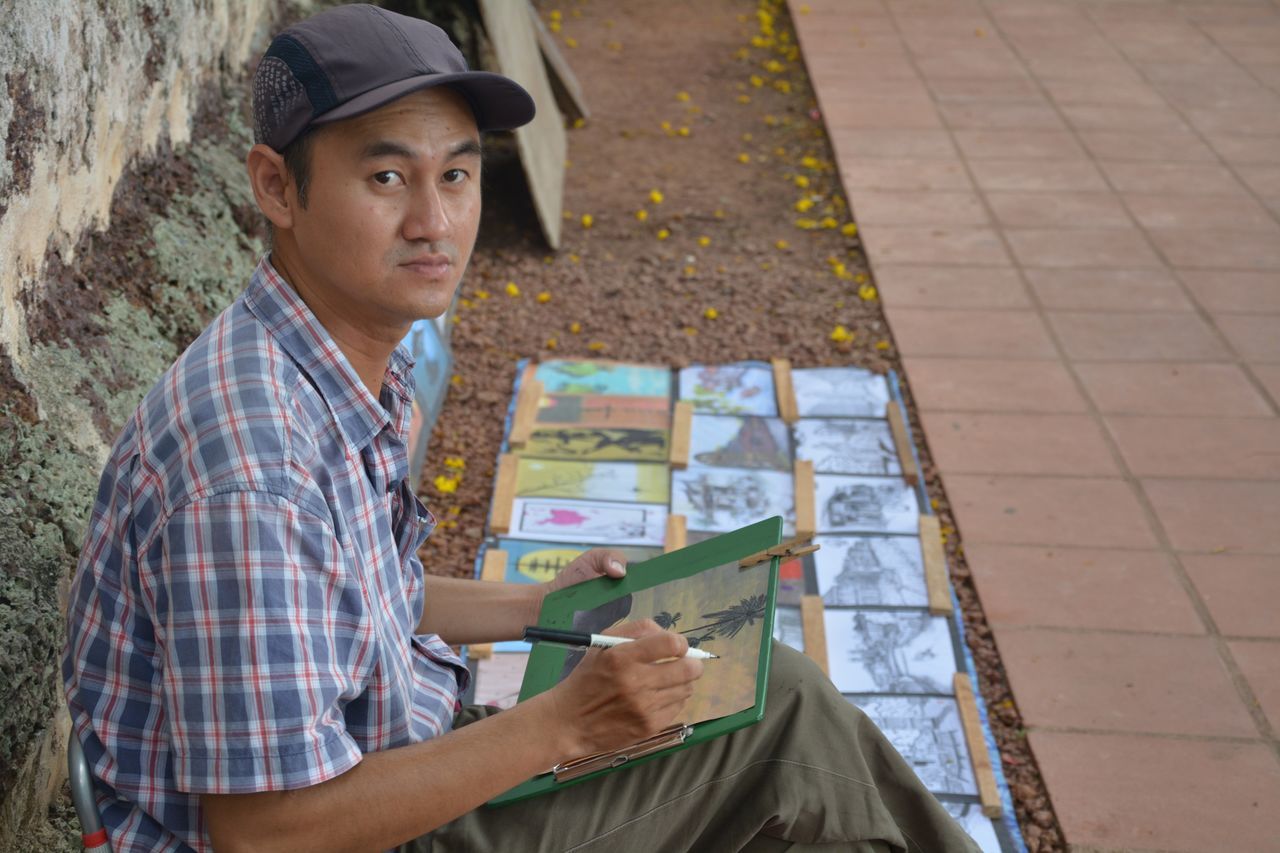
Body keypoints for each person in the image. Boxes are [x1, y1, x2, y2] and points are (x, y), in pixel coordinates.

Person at [61, 5, 981, 851]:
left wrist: (539, 607)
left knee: (743, 692)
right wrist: (559, 724)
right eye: (387, 176)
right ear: (277, 186)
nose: (435, 222)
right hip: (353, 823)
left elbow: (355, 602)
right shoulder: (252, 467)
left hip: (390, 769)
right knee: (786, 729)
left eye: (457, 175)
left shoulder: (327, 367)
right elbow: (269, 831)